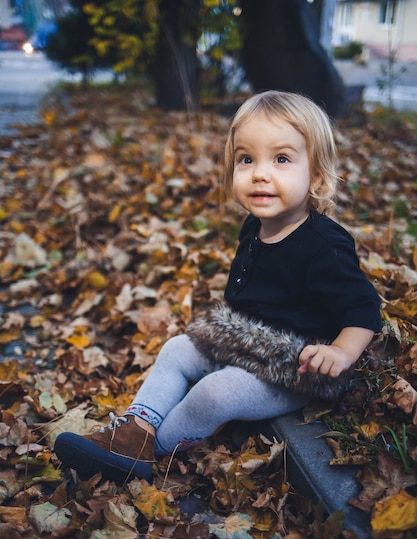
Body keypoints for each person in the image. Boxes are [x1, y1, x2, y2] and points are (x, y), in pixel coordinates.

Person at [54, 90, 381, 484]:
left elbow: (363, 309)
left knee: (217, 392)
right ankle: (135, 429)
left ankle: (155, 450)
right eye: (247, 159)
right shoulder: (254, 227)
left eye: (281, 159)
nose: (260, 172)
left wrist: (340, 352)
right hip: (240, 342)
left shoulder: (324, 245)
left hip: (290, 368)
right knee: (177, 348)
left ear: (318, 175)